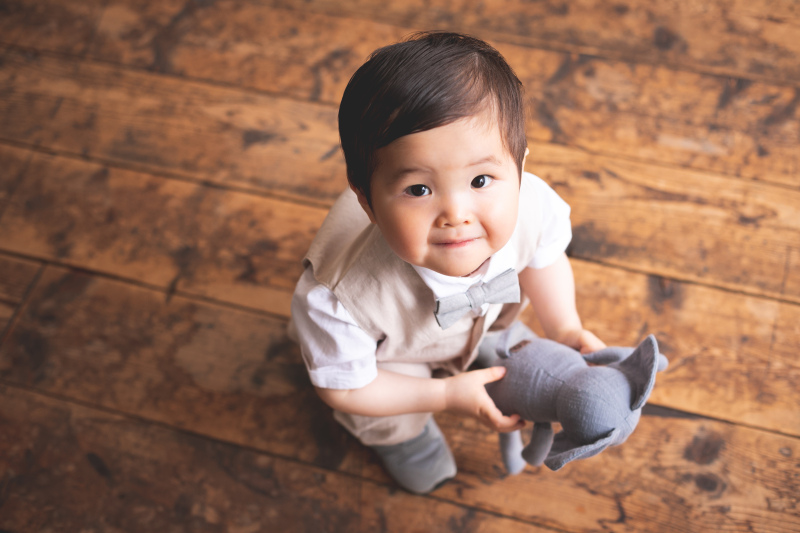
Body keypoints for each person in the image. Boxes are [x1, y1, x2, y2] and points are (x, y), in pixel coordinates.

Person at [290, 31, 605, 494]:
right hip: (390, 360)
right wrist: (443, 395)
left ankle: (479, 348)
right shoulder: (338, 300)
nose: (456, 214)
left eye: (481, 179)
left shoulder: (531, 204)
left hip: (481, 320)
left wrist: (565, 326)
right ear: (367, 200)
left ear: (518, 171)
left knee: (498, 340)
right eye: (418, 190)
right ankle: (406, 442)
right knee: (389, 412)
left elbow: (544, 259)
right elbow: (345, 388)